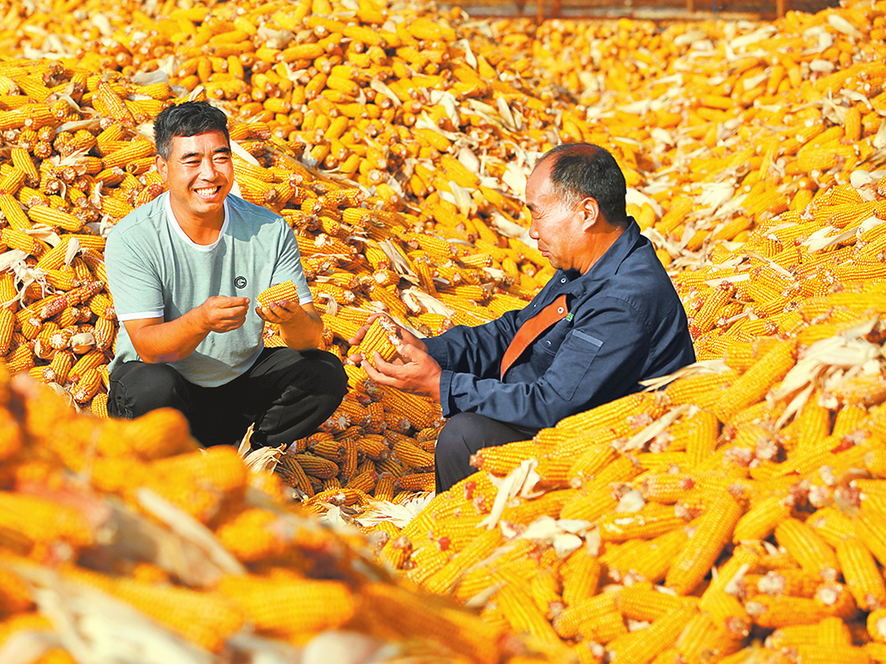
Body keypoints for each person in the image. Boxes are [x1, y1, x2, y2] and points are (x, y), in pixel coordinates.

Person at [357, 142, 695, 492]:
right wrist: (429, 350)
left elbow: (553, 404)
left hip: (607, 454)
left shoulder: (622, 300)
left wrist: (442, 385)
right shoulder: (588, 263)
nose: (532, 231)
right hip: (568, 420)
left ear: (587, 213)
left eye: (538, 214)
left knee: (465, 437)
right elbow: (518, 331)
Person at [103, 101, 347, 449]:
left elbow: (309, 339)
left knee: (324, 373)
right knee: (150, 388)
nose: (210, 174)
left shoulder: (269, 229)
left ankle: (249, 451)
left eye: (220, 157)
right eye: (192, 161)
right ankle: (170, 458)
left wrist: (291, 319)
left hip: (237, 387)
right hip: (169, 388)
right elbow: (148, 347)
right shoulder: (134, 238)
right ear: (162, 168)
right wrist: (201, 320)